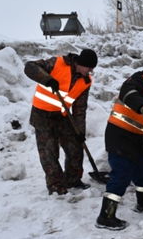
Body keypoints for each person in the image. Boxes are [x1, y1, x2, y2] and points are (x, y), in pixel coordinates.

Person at [96, 63, 143, 230]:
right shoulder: (140, 80)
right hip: (119, 136)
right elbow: (128, 92)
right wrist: (140, 105)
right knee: (121, 175)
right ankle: (106, 216)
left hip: (135, 138)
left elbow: (142, 122)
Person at [24, 49, 98, 196]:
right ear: (80, 63)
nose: (90, 71)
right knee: (49, 152)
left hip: (62, 116)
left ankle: (73, 179)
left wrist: (80, 132)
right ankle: (55, 184)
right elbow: (29, 67)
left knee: (75, 146)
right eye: (89, 68)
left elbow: (80, 109)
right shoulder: (57, 63)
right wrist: (47, 79)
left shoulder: (85, 81)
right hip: (42, 116)